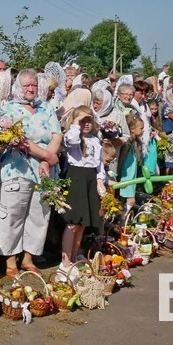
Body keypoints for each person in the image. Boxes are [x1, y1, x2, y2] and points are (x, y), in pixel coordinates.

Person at [0, 69, 62, 277]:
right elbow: (20, 139)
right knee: (13, 215)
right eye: (26, 85)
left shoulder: (47, 107)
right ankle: (10, 262)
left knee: (38, 215)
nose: (31, 89)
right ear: (18, 87)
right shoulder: (9, 110)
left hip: (44, 172)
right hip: (18, 170)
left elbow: (56, 135)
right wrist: (47, 156)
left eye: (34, 85)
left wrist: (47, 160)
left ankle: (28, 258)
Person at [60, 106, 105, 277]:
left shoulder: (95, 140)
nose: (86, 124)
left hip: (90, 178)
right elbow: (72, 140)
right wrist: (76, 124)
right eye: (82, 120)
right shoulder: (73, 138)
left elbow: (99, 164)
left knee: (83, 223)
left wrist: (100, 181)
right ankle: (65, 262)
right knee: (73, 221)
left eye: (89, 120)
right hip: (76, 176)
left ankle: (74, 256)